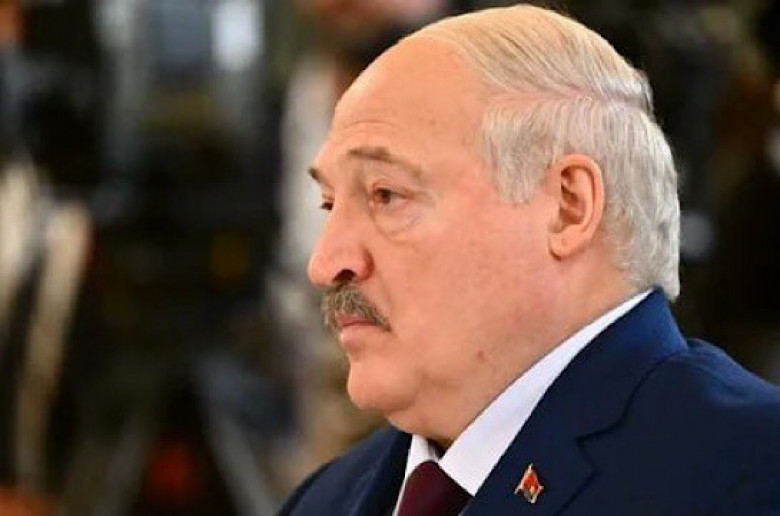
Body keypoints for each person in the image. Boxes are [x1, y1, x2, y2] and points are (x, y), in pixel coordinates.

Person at [279, 4, 780, 515]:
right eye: (329, 204)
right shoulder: (323, 500)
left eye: (386, 195)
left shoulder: (755, 477)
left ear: (568, 207)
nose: (326, 262)